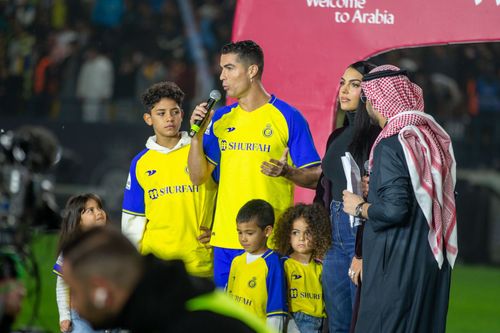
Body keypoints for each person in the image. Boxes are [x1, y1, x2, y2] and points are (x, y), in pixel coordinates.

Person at [188, 40, 322, 288]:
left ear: (252, 71)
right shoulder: (218, 118)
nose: (222, 76)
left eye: (229, 68)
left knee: (267, 320)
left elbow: (316, 177)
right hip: (226, 240)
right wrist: (196, 137)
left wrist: (286, 171)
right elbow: (197, 177)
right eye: (221, 68)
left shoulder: (288, 117)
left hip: (270, 241)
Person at [342, 64, 457, 333]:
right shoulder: (429, 138)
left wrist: (360, 207)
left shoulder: (391, 144)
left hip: (396, 261)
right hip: (427, 259)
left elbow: (395, 210)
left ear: (376, 100)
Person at [61, 226, 273, 333]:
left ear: (101, 291)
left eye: (75, 291)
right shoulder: (170, 305)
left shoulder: (196, 324)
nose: (75, 305)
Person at [121, 81, 217, 278]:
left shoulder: (202, 149)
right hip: (155, 268)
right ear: (148, 119)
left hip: (199, 264)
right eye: (161, 113)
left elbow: (227, 194)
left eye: (174, 112)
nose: (169, 119)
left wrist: (218, 230)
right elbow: (133, 220)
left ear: (182, 114)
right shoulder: (140, 163)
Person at [313, 61, 379, 333]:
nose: (344, 90)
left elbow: (374, 197)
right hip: (332, 236)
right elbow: (323, 187)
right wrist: (318, 234)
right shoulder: (337, 135)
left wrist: (362, 252)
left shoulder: (378, 137)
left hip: (359, 235)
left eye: (354, 84)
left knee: (359, 320)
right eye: (342, 83)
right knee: (337, 321)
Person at [53, 193, 113, 333]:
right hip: (81, 319)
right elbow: (62, 285)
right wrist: (64, 316)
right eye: (90, 210)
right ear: (77, 220)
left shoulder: (113, 245)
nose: (98, 212)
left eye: (99, 208)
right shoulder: (72, 249)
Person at [226, 199, 287, 332]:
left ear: (267, 231)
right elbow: (228, 300)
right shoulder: (236, 262)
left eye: (249, 233)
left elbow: (276, 310)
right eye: (239, 232)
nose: (243, 238)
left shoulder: (273, 263)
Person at [273, 203, 332, 333]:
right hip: (292, 319)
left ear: (318, 235)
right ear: (288, 236)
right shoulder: (283, 264)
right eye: (295, 232)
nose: (302, 238)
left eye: (308, 233)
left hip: (317, 322)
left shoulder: (321, 267)